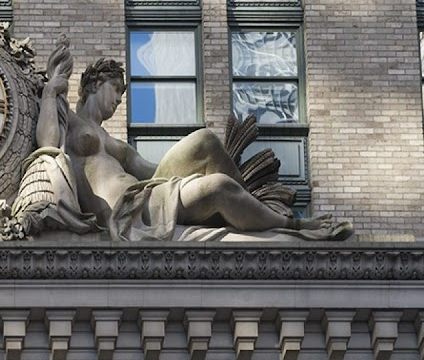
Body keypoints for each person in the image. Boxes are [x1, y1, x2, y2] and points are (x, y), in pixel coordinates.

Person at [29, 54, 351, 241]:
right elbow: (46, 145)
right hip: (124, 213)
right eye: (115, 90)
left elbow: (152, 173)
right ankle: (290, 224)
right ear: (94, 84)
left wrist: (188, 180)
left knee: (205, 140)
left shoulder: (116, 145)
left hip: (146, 194)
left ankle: (251, 209)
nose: (118, 99)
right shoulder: (69, 120)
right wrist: (49, 92)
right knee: (219, 187)